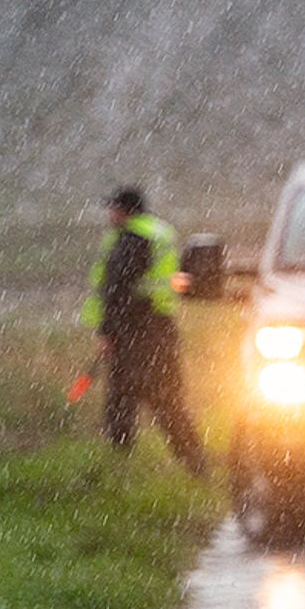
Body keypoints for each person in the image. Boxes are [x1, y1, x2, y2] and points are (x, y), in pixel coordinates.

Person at [84, 185, 207, 474]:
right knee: (161, 400)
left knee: (129, 399)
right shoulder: (156, 232)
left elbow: (117, 290)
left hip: (136, 331)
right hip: (158, 328)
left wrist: (107, 332)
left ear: (124, 210)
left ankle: (124, 464)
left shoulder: (132, 239)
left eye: (112, 208)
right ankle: (194, 464)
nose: (109, 214)